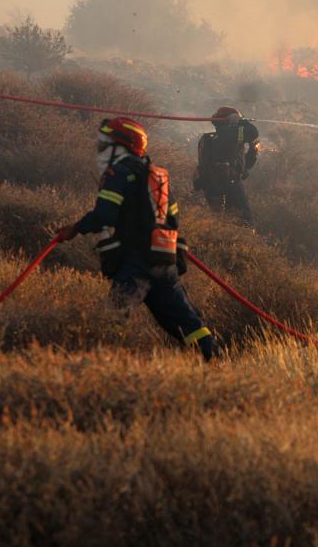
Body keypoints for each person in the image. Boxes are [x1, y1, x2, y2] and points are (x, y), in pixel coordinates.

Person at [58, 117, 218, 361]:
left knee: (113, 316)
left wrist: (75, 228)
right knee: (187, 322)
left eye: (104, 145)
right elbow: (173, 220)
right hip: (165, 263)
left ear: (120, 147)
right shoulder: (158, 176)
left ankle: (102, 363)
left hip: (137, 262)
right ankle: (215, 358)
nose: (100, 150)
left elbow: (105, 214)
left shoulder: (118, 173)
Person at [193, 106, 260, 225]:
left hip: (213, 186)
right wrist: (241, 122)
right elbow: (253, 132)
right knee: (244, 222)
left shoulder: (214, 138)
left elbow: (244, 165)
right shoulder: (228, 135)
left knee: (221, 222)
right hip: (229, 184)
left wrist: (252, 150)